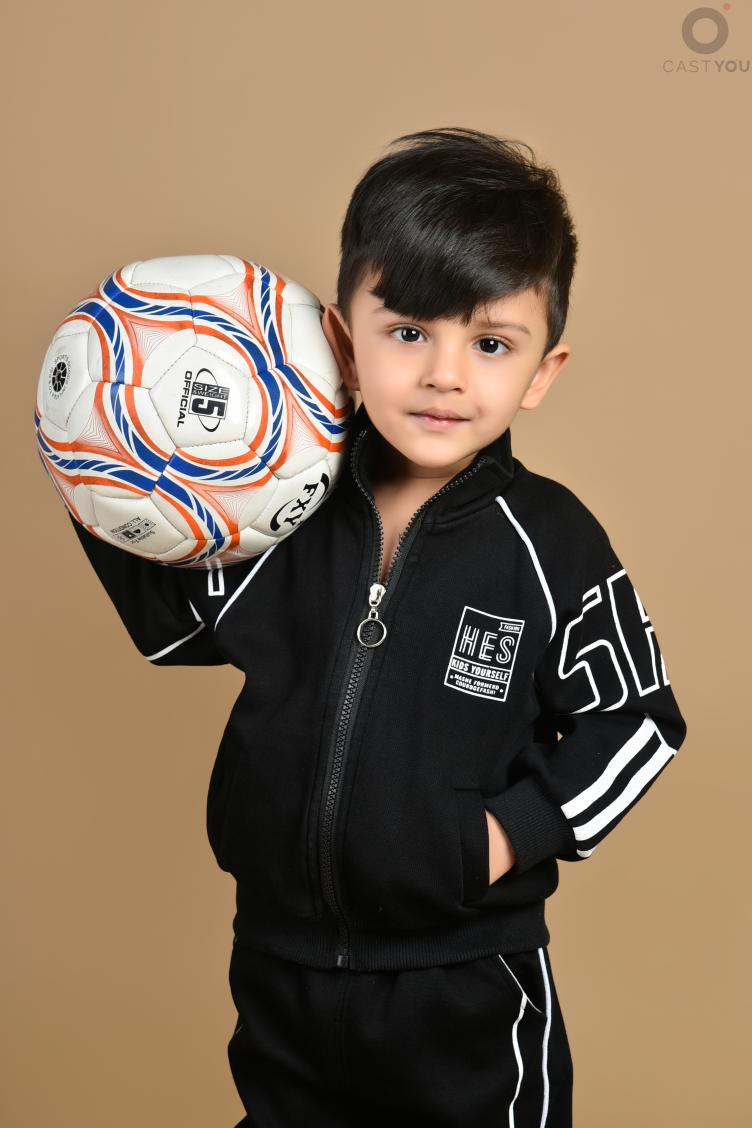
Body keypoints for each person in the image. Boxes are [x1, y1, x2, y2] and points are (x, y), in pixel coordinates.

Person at [67, 127, 688, 1126]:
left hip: (463, 984)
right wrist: (100, 463)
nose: (445, 375)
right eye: (407, 333)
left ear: (542, 370)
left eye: (490, 344)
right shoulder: (278, 508)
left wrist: (504, 837)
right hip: (281, 970)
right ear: (342, 341)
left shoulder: (547, 542)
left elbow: (639, 720)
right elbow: (176, 627)